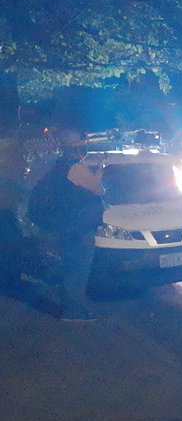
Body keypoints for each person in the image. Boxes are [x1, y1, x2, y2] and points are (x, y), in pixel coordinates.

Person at [27, 132, 105, 319]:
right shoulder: (76, 169)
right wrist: (101, 168)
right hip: (76, 228)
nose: (84, 152)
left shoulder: (60, 168)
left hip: (66, 226)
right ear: (76, 150)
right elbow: (98, 189)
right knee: (78, 270)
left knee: (70, 266)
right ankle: (74, 311)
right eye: (82, 148)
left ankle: (65, 303)